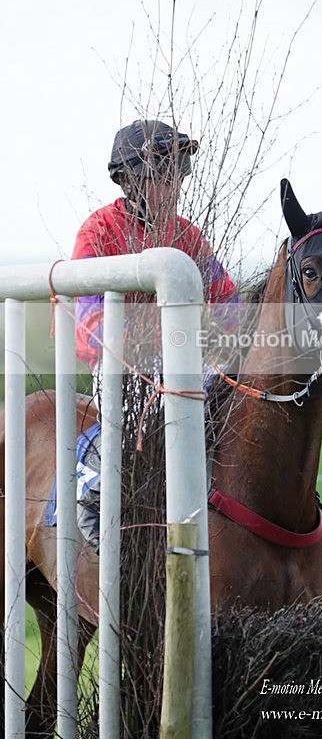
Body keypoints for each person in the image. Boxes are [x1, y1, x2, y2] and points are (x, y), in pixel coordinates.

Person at [72, 118, 241, 549]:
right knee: (137, 426)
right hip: (121, 367)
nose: (177, 186)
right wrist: (148, 345)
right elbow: (90, 322)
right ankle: (89, 488)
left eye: (179, 175)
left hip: (181, 362)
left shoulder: (187, 234)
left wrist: (251, 339)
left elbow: (227, 301)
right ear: (130, 180)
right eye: (165, 177)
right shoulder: (98, 231)